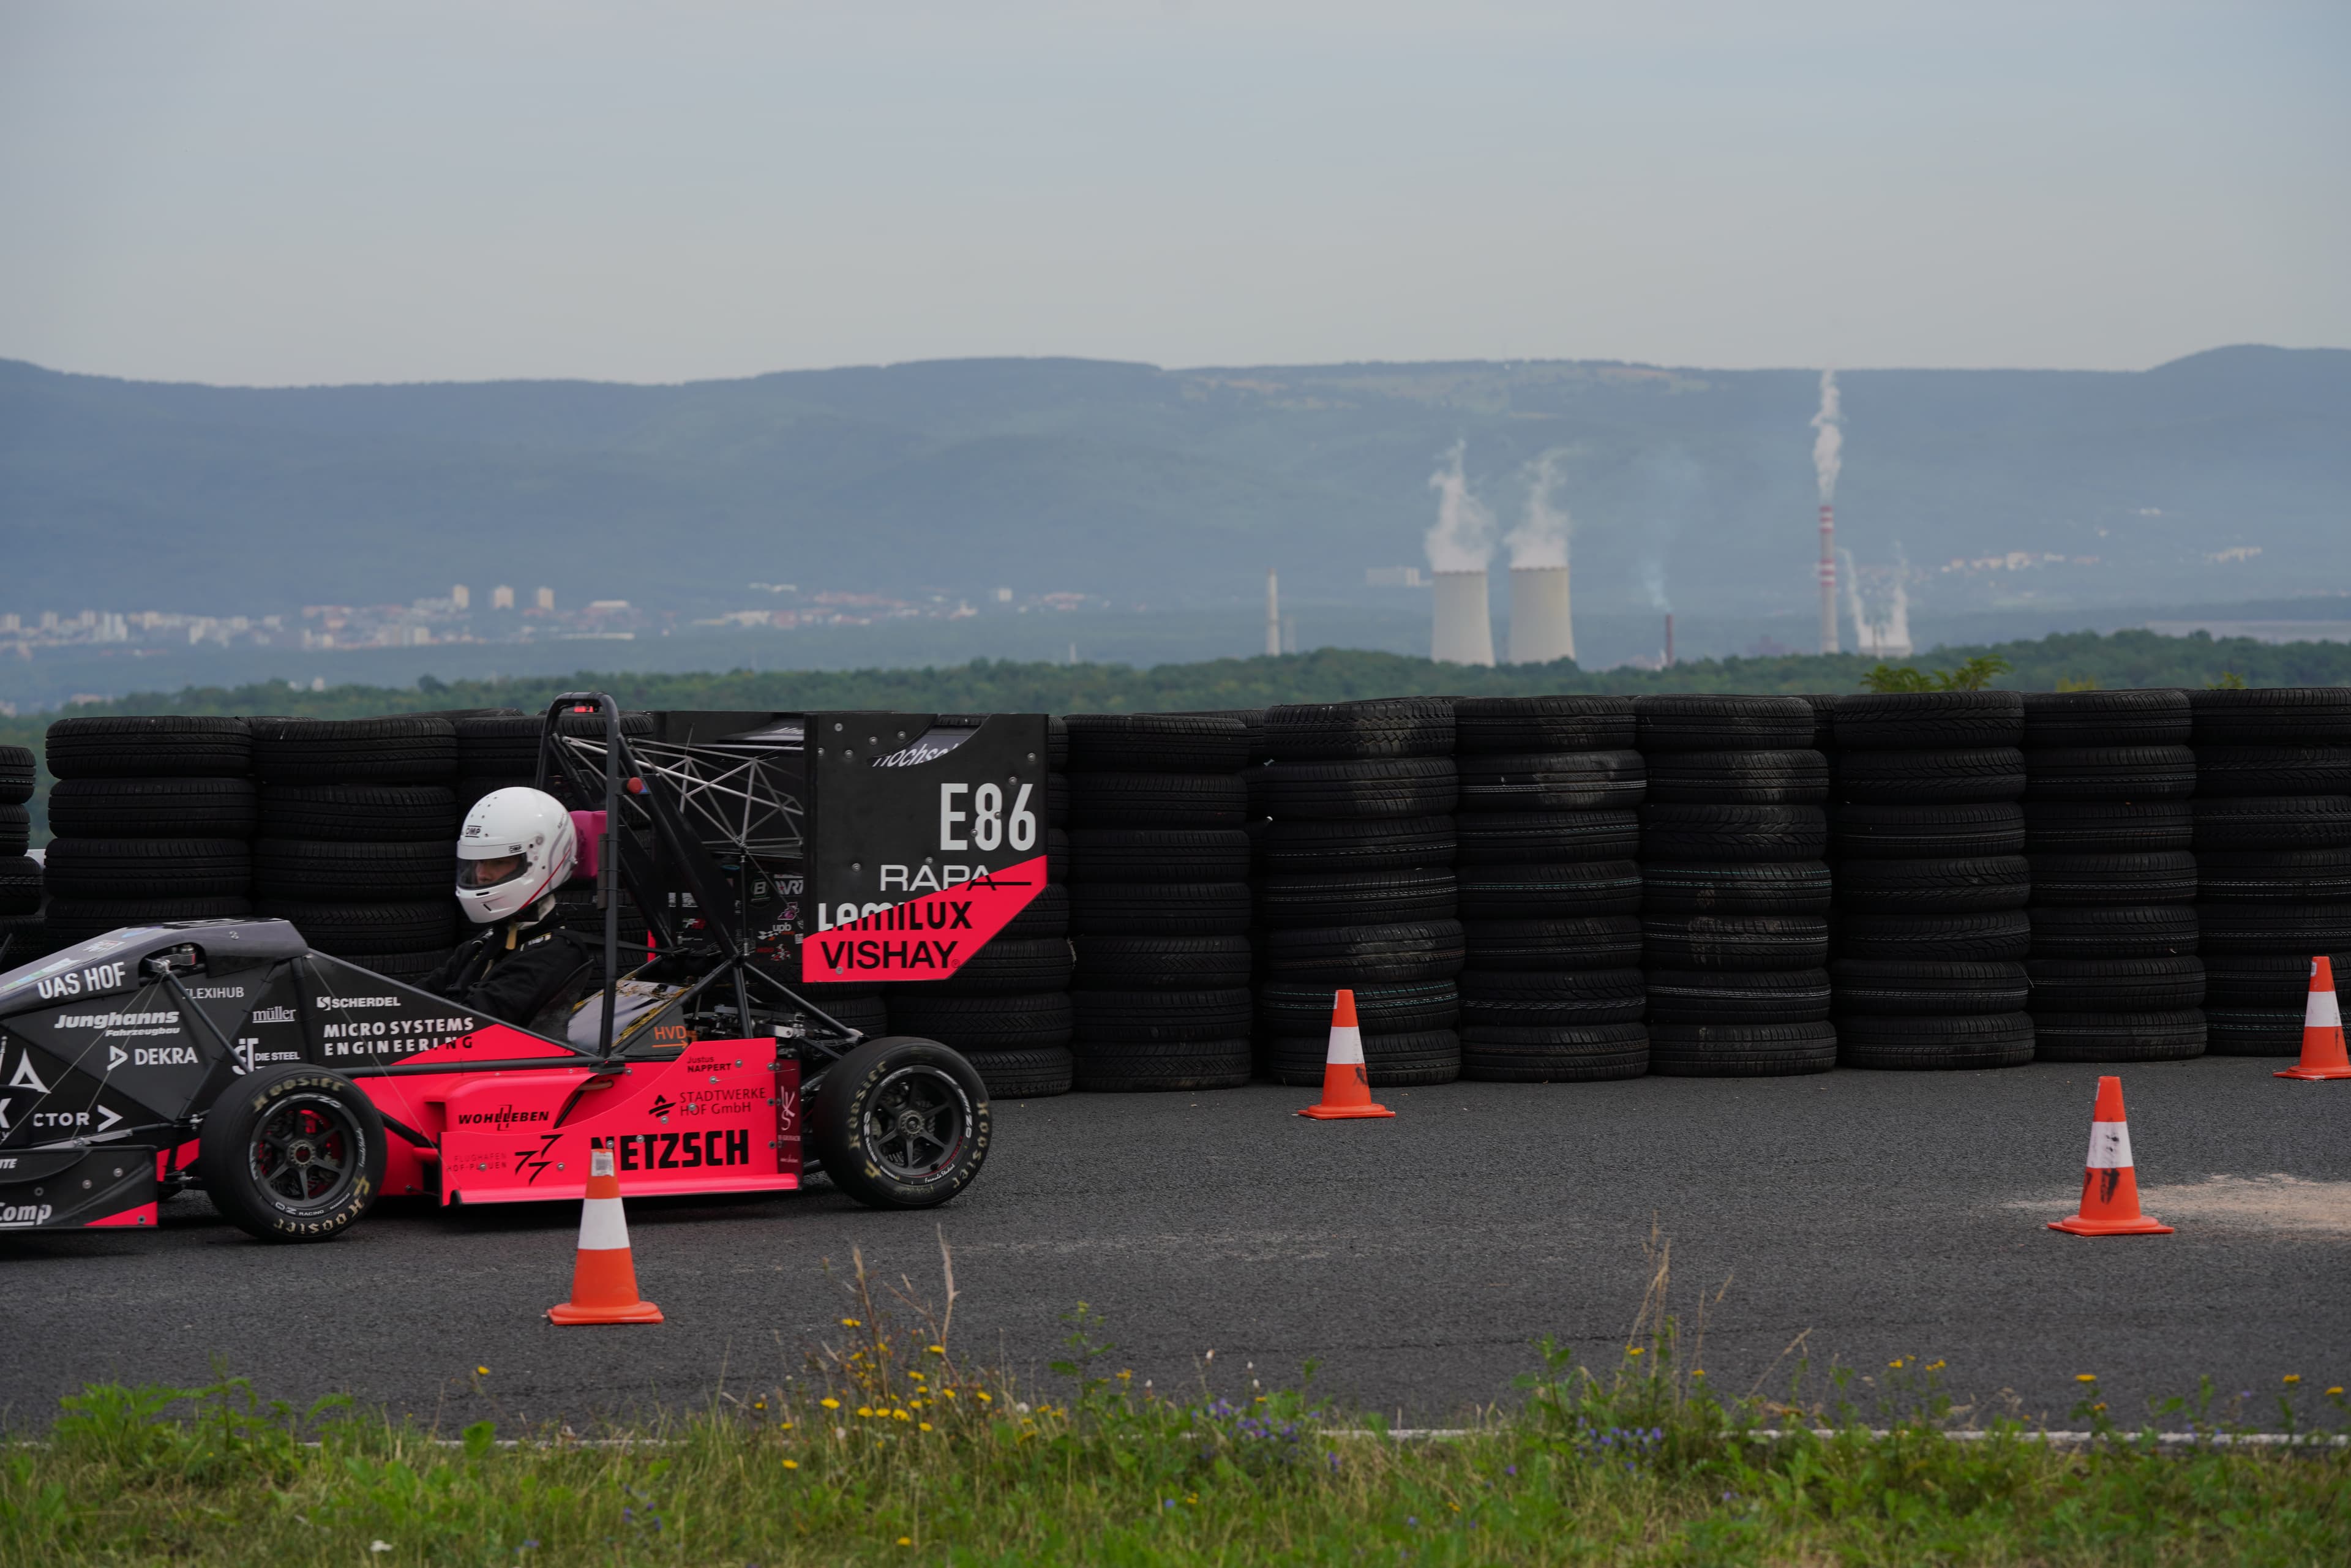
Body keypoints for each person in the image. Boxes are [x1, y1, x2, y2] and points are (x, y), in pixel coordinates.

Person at [425, 787, 603, 1035]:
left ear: (539, 864)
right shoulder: (487, 942)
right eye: (477, 863)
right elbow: (415, 997)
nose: (481, 875)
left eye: (498, 862)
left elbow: (473, 1025)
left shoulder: (555, 952)